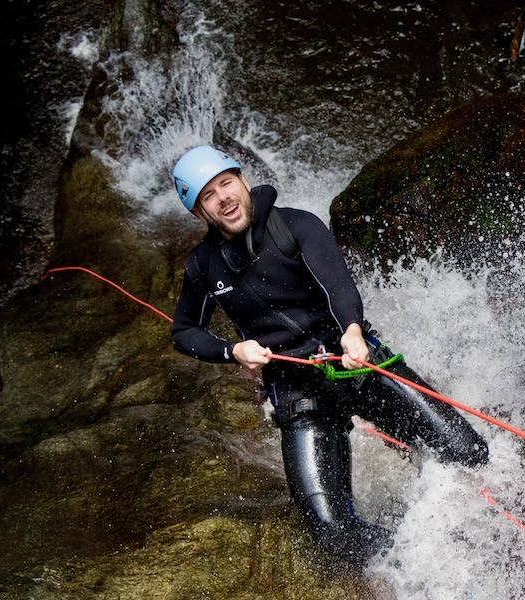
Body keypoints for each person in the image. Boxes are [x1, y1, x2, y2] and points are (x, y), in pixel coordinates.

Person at [170, 144, 489, 568]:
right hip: (298, 394)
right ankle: (418, 565)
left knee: (469, 454)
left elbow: (339, 286)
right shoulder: (203, 266)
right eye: (209, 195)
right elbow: (184, 331)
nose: (223, 197)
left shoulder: (296, 226)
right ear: (200, 214)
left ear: (243, 182)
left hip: (354, 365)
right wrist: (233, 351)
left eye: (227, 183)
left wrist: (352, 332)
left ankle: (474, 538)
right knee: (333, 535)